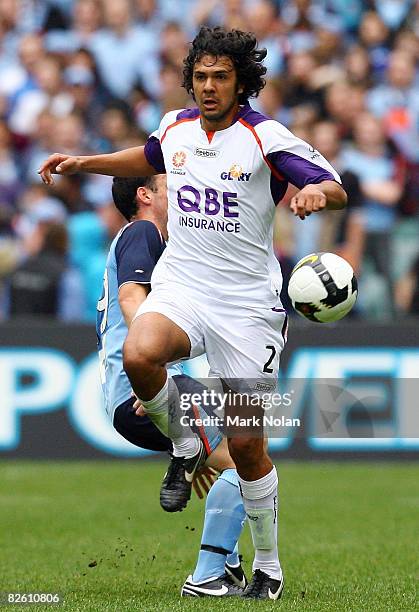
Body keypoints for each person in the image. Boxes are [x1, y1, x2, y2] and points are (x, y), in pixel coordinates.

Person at [39, 27, 347, 600]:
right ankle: (184, 444)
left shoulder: (264, 136)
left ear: (241, 82)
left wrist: (312, 195)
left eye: (220, 77)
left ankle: (269, 568)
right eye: (200, 76)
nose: (208, 87)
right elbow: (148, 155)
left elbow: (334, 186)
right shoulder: (176, 126)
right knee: (140, 352)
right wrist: (86, 162)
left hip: (247, 307)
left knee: (248, 447)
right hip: (185, 286)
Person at [98, 174, 247, 596]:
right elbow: (131, 297)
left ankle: (227, 568)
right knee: (247, 459)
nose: (179, 189)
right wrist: (153, 378)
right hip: (141, 389)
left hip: (140, 391)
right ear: (145, 195)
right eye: (168, 184)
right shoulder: (142, 231)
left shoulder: (164, 246)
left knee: (238, 456)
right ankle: (208, 576)